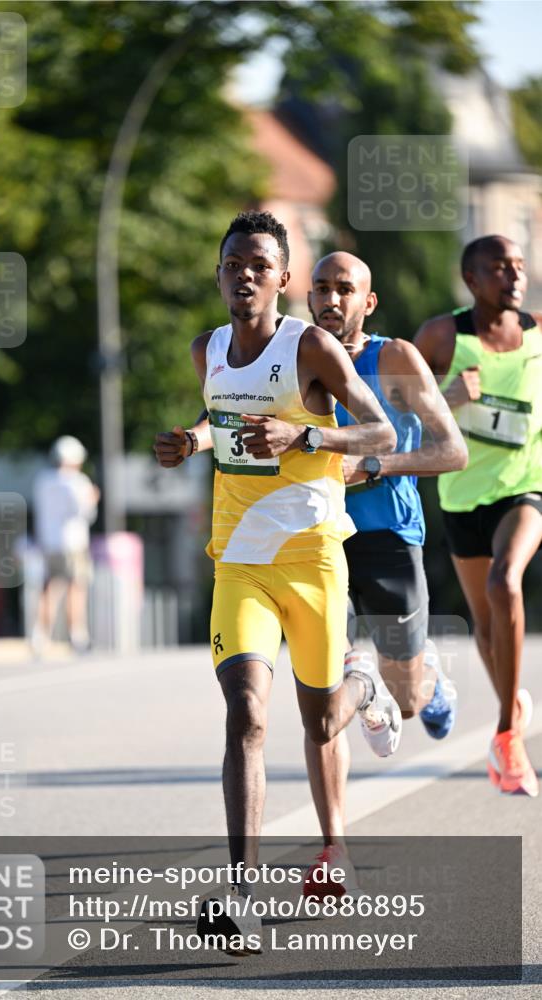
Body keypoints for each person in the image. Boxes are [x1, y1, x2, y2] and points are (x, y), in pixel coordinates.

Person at [155, 211, 399, 948]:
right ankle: (242, 894)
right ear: (219, 273)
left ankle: (365, 682)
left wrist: (309, 435)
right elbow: (222, 412)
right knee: (247, 717)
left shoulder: (313, 347)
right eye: (234, 264)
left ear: (282, 278)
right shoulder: (208, 350)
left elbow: (381, 431)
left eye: (261, 264)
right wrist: (193, 439)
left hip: (314, 558)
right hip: (237, 562)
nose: (246, 275)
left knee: (321, 723)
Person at [300, 251, 468, 889]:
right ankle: (333, 848)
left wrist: (371, 467)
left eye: (345, 289)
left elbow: (451, 450)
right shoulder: (296, 356)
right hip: (317, 541)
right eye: (321, 287)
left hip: (388, 536)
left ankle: (425, 678)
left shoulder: (392, 358)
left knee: (409, 696)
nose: (331, 298)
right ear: (306, 295)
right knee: (323, 683)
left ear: (367, 302)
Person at [415, 235, 542, 798]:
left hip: (526, 488)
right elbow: (396, 414)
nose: (513, 276)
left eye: (518, 265)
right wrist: (450, 396)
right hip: (463, 495)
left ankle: (507, 733)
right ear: (471, 279)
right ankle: (512, 704)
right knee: (486, 629)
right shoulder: (444, 335)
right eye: (499, 267)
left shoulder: (538, 332)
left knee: (504, 581)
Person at [32, 436, 100, 655]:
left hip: (48, 542)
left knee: (49, 589)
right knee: (75, 588)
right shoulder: (78, 481)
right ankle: (77, 636)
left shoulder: (43, 480)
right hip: (73, 542)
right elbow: (84, 512)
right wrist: (93, 499)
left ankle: (40, 636)